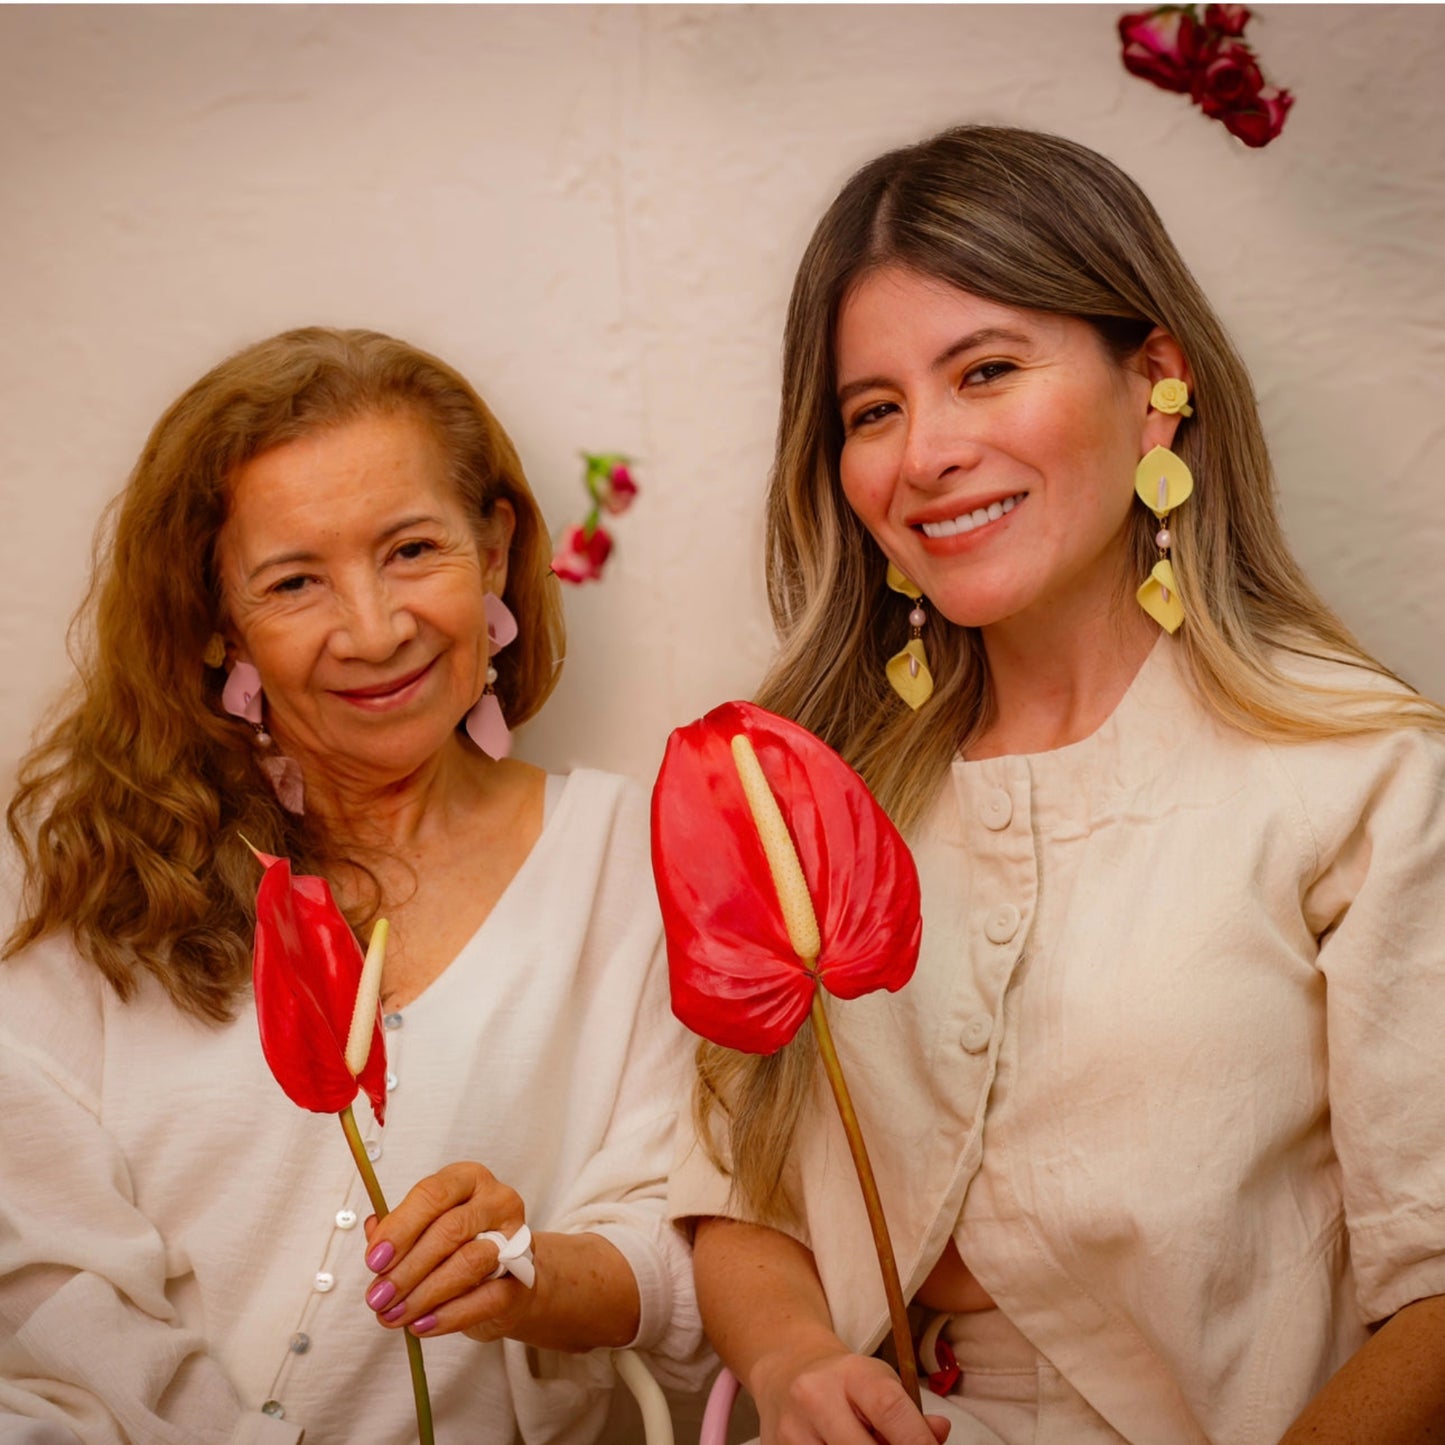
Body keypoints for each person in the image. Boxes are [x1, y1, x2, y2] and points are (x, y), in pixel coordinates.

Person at [669, 126, 1445, 1445]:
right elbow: (732, 1184)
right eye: (872, 411)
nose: (924, 454)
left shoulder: (1360, 773)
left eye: (984, 370)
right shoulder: (810, 787)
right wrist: (794, 1357)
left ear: (1156, 384)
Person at [0, 328, 704, 1443]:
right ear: (216, 620)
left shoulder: (635, 861)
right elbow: (39, 1272)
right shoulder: (97, 871)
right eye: (293, 581)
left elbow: (687, 1244)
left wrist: (529, 1265)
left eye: (411, 549)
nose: (375, 631)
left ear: (494, 549)